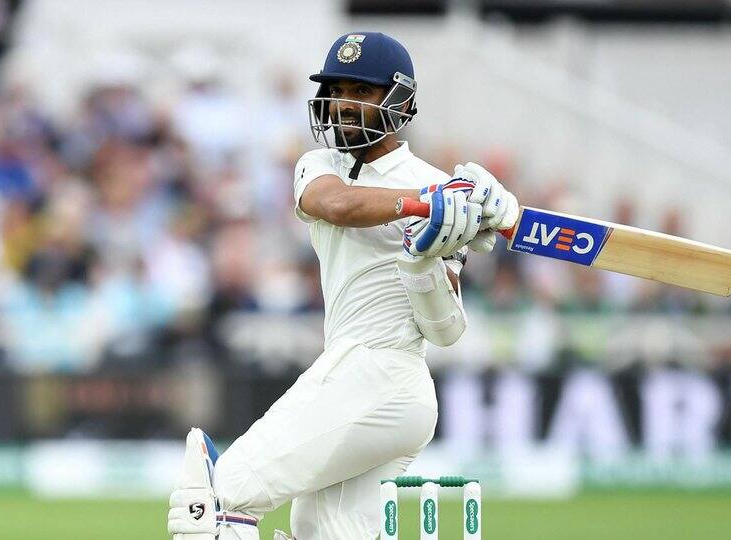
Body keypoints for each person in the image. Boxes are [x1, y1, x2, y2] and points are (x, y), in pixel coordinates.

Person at [168, 32, 519, 540]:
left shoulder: (440, 186)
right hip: (356, 372)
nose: (345, 104)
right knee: (318, 531)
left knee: (215, 500)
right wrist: (427, 204)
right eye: (338, 91)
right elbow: (339, 206)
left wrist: (423, 260)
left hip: (387, 373)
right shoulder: (321, 167)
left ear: (398, 98)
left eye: (362, 91)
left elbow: (444, 332)